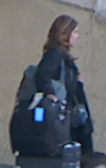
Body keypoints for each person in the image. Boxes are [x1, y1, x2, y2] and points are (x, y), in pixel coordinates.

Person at [35, 15, 94, 153]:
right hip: (65, 122)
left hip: (71, 120)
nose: (78, 36)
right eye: (75, 32)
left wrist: (77, 82)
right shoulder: (55, 54)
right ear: (64, 34)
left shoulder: (63, 57)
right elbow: (42, 74)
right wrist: (50, 93)